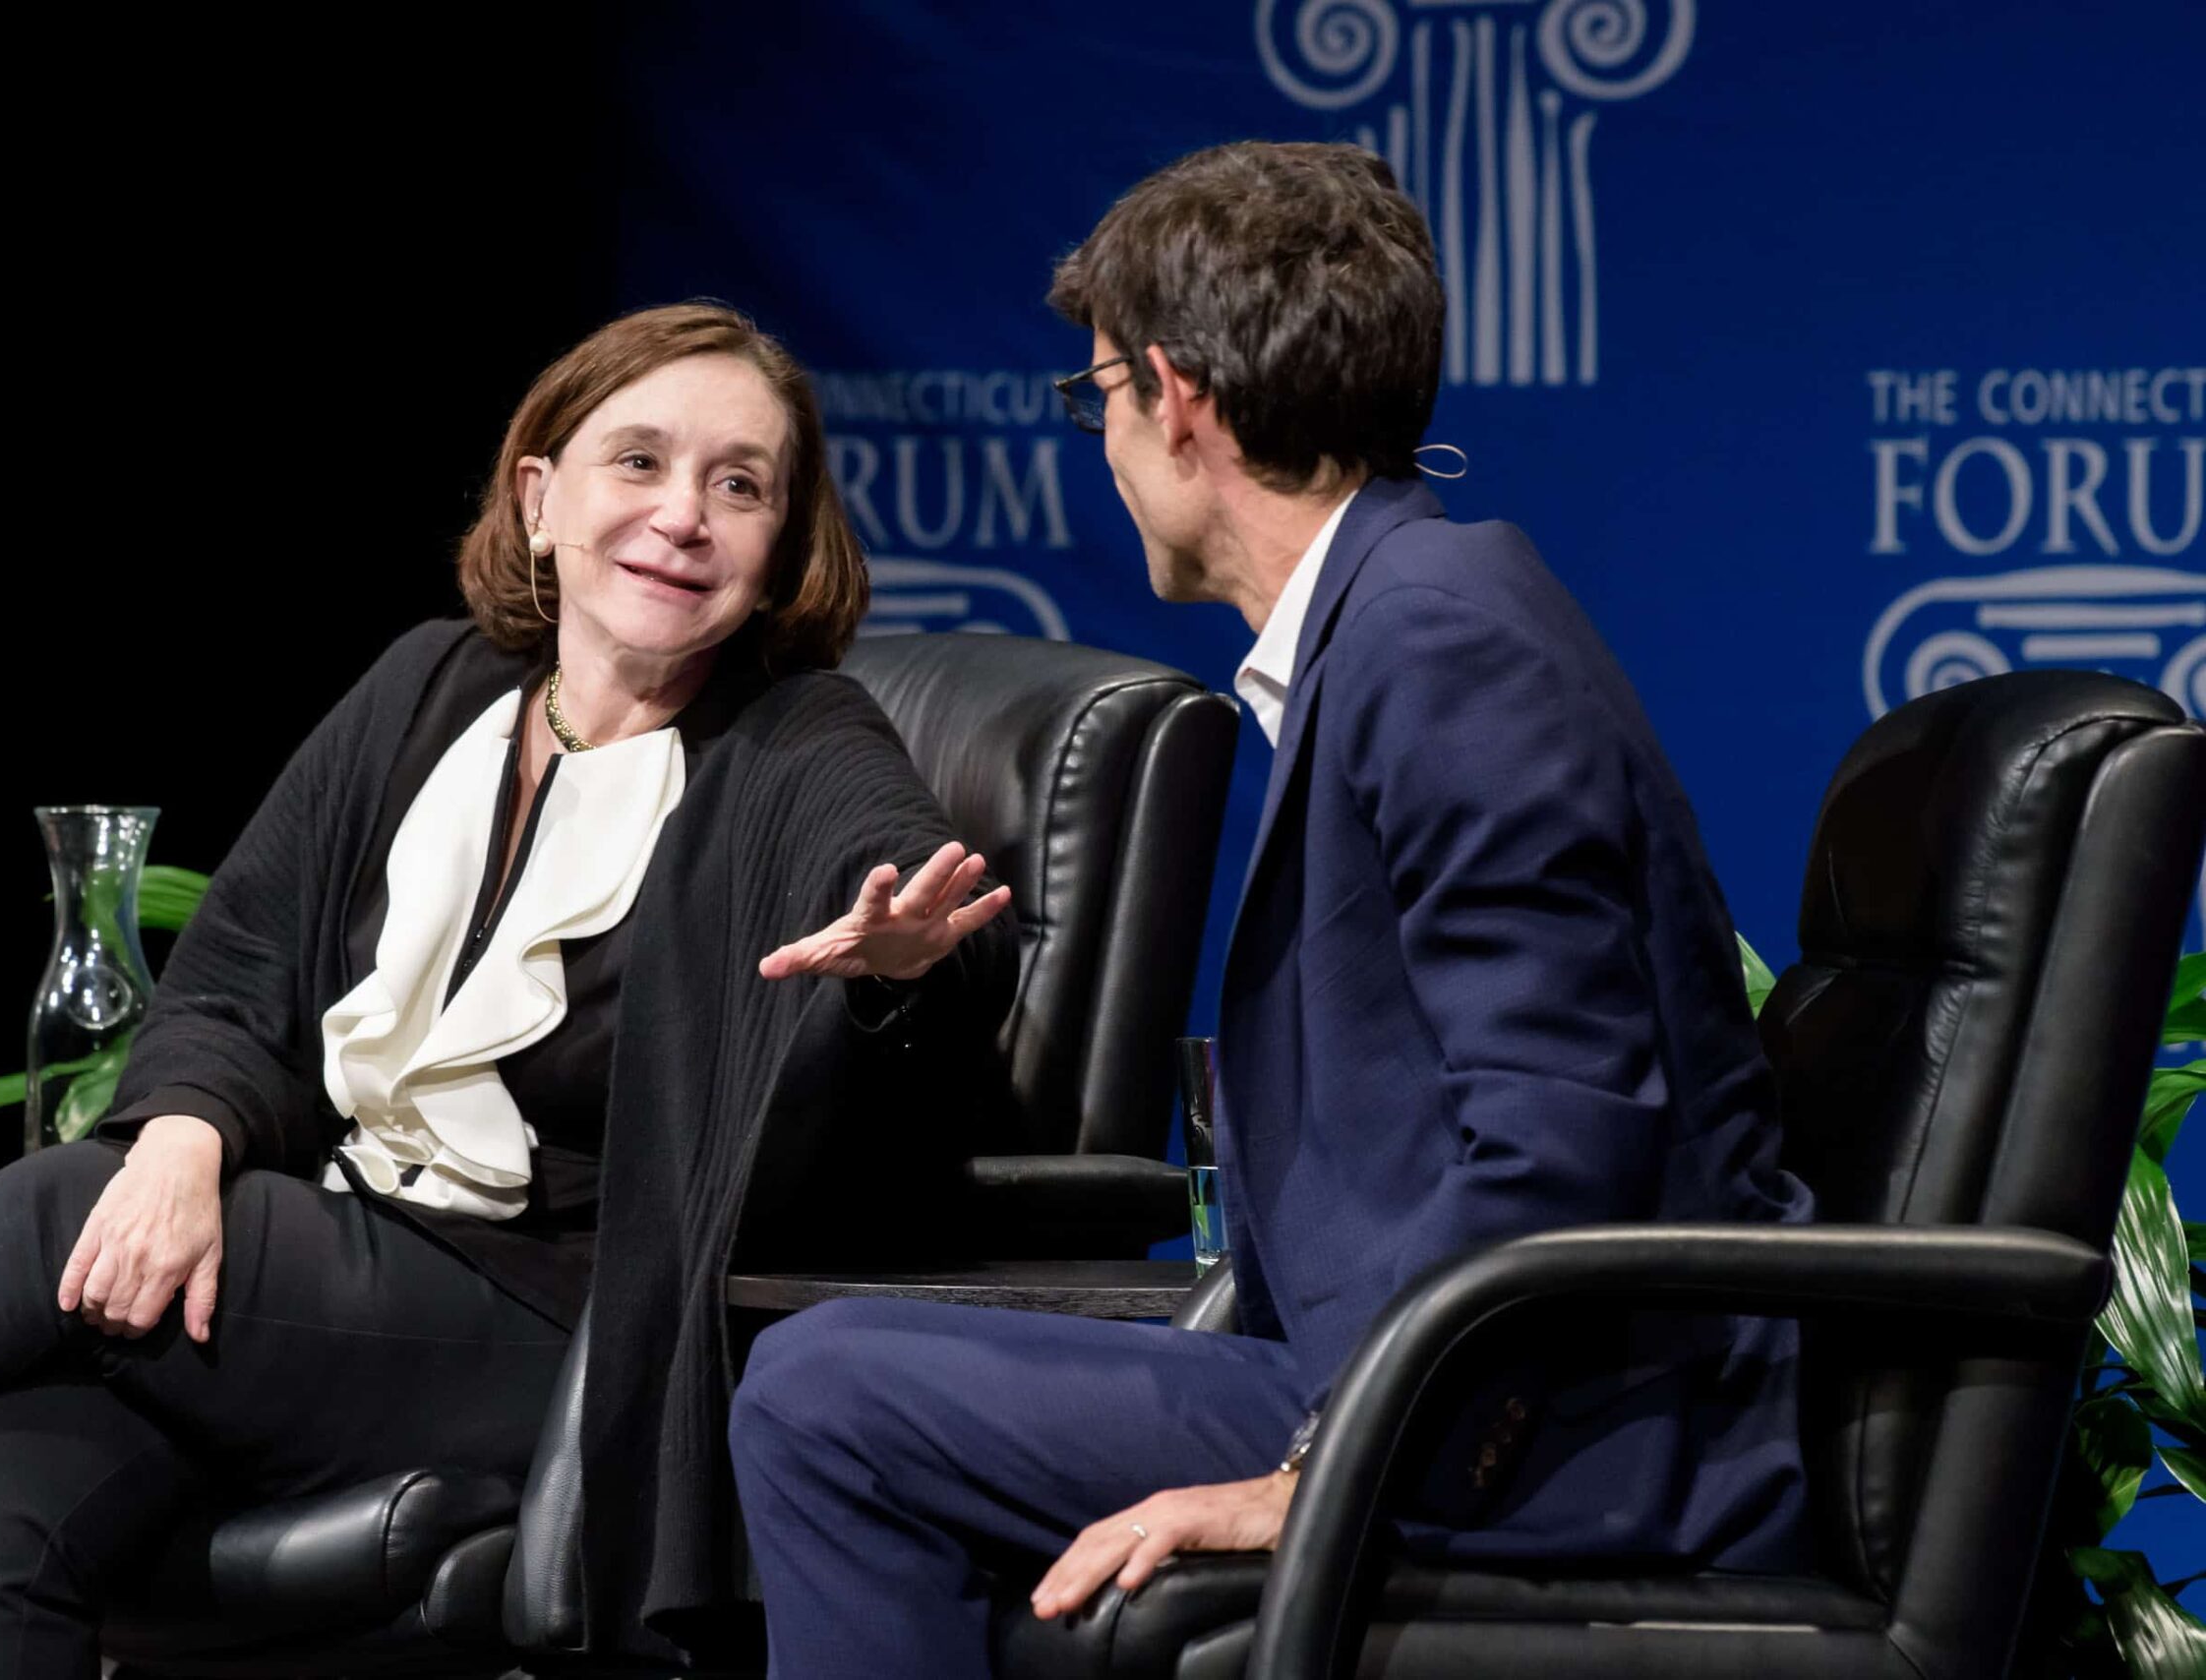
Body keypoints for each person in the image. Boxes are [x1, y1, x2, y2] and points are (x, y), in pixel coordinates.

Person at [0, 302, 1015, 1673]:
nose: (684, 514)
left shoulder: (795, 738)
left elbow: (916, 890)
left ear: (779, 543)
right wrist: (189, 1139)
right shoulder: (428, 690)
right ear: (540, 496)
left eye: (739, 485)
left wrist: (901, 963)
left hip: (563, 1334)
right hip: (337, 1274)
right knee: (2, 1477)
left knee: (48, 1222)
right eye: (639, 463)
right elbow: (242, 970)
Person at [729, 141, 1814, 1679]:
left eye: (1096, 391)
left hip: (1562, 1434)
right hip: (1410, 1372)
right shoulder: (1402, 619)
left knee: (824, 1401)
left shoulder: (1437, 645)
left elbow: (1565, 1147)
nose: (1098, 439)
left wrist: (1313, 1476)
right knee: (842, 1377)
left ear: (1178, 398)